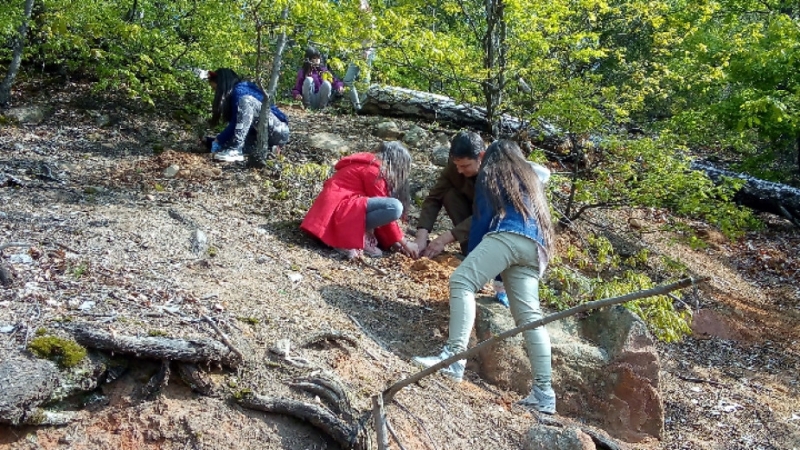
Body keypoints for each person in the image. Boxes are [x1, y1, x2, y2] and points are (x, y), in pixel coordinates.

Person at [412, 140, 557, 415]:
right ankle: (544, 395)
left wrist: (475, 259)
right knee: (530, 319)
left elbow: (482, 219)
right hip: (535, 248)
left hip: (508, 235)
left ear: (488, 157)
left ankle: (453, 361)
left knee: (461, 281)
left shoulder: (493, 172)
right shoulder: (529, 177)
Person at [300, 141, 418, 259]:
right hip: (339, 213)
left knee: (387, 209)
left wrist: (394, 241)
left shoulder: (366, 164)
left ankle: (355, 237)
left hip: (332, 216)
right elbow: (386, 209)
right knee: (394, 207)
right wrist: (405, 243)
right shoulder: (374, 171)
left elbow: (378, 213)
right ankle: (347, 238)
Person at [207, 68, 290, 166]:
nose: (215, 93)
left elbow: (235, 123)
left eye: (215, 89)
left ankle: (235, 150)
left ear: (222, 85)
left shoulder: (239, 90)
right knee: (225, 145)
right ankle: (270, 149)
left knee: (246, 100)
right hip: (265, 135)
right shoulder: (237, 92)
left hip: (279, 130)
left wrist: (219, 139)